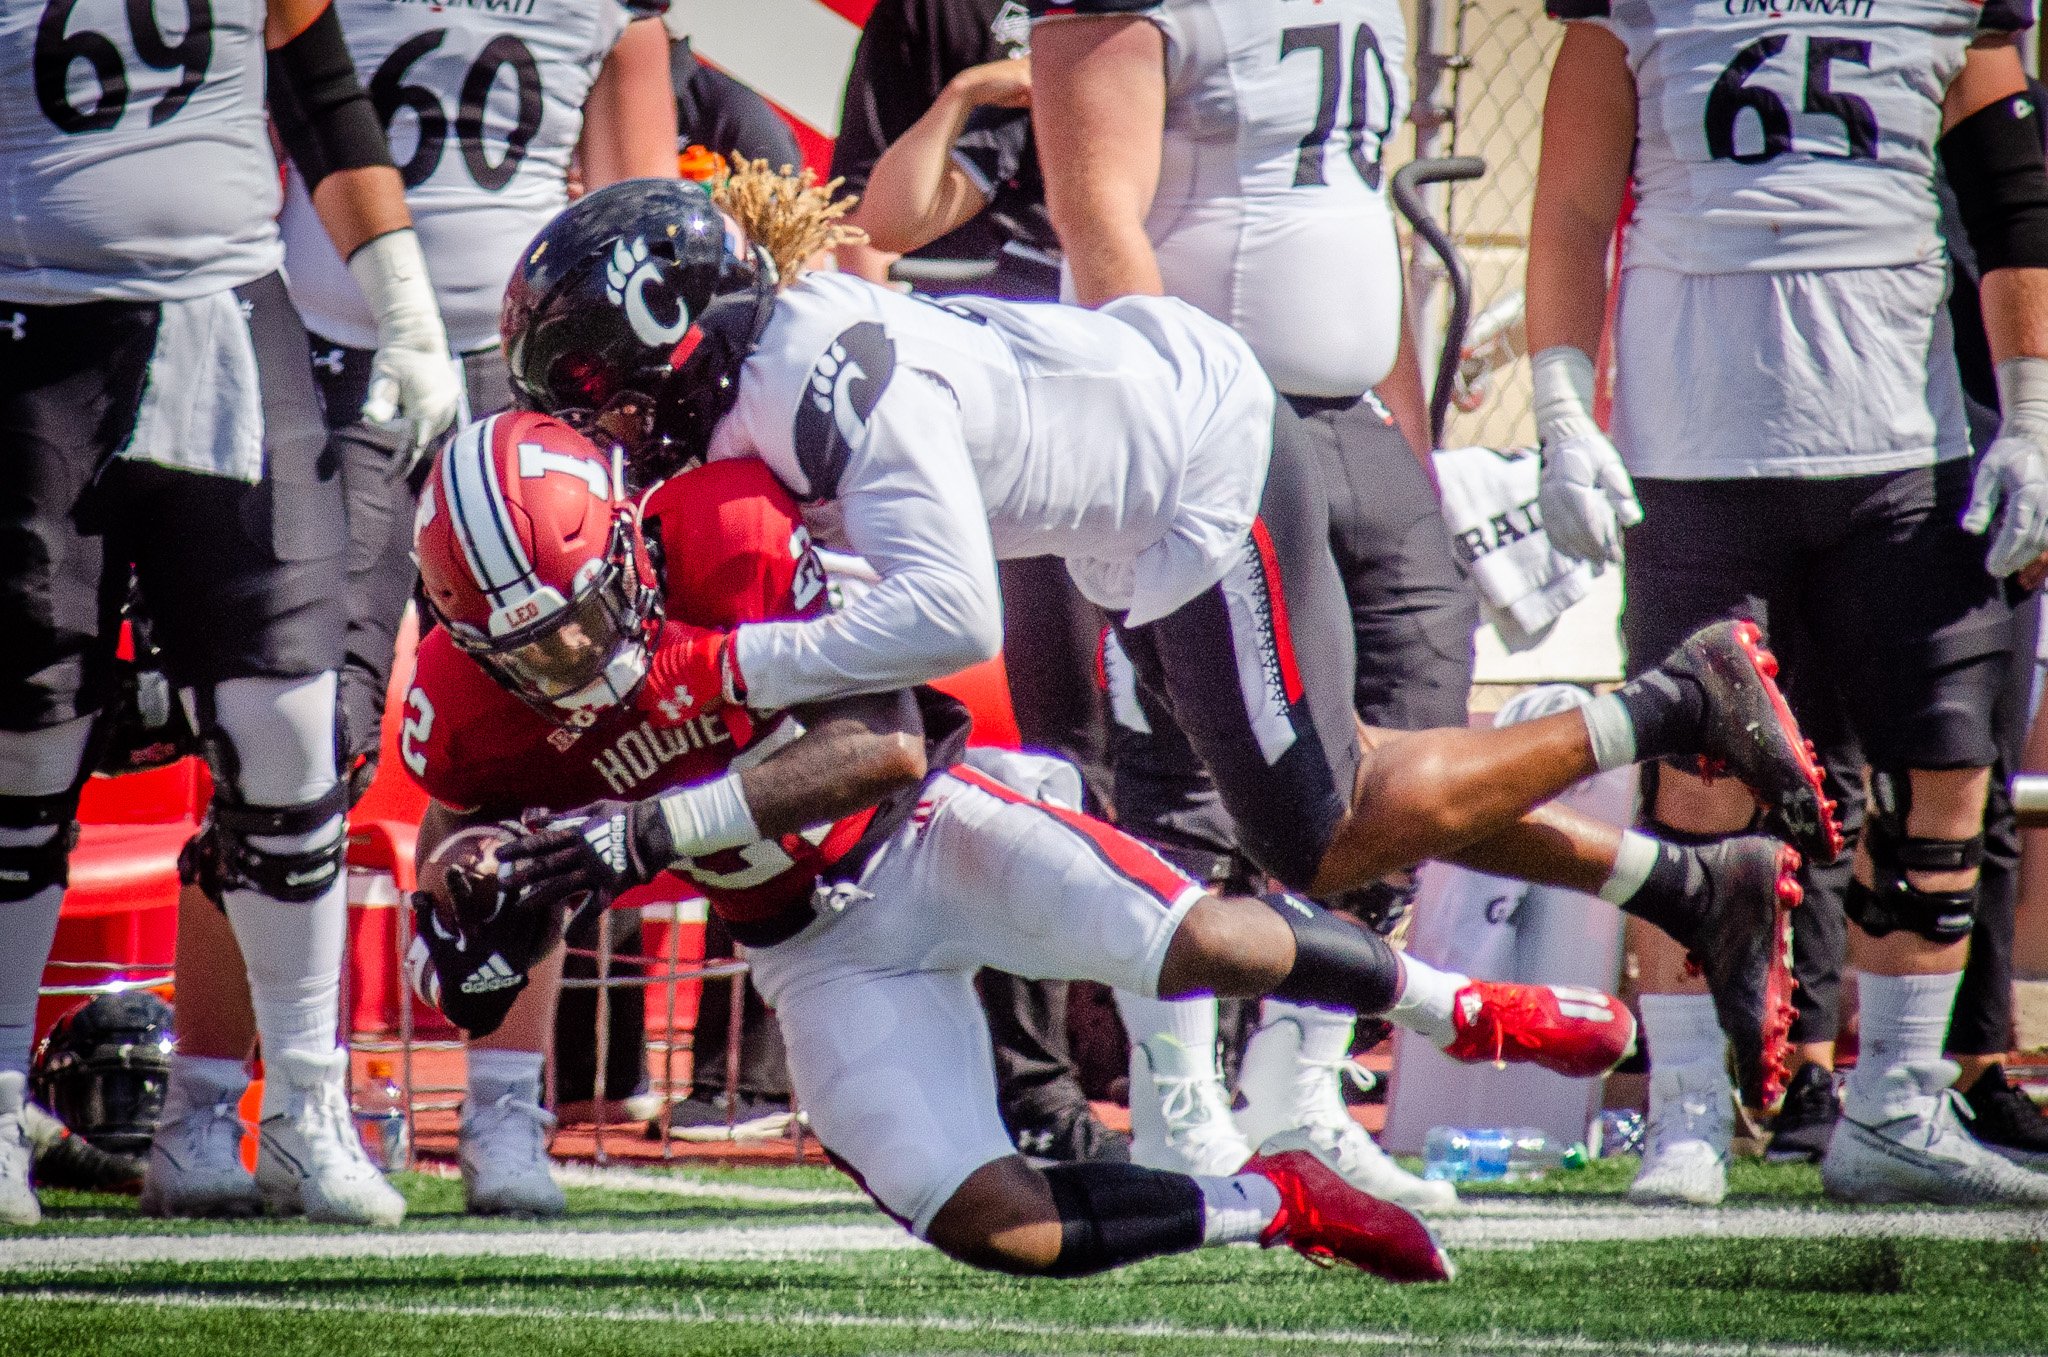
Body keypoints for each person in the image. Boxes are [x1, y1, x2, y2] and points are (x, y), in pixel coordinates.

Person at [500, 174, 1832, 1123]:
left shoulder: (822, 388)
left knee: (1318, 829)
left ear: (678, 330)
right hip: (1131, 505)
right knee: (1336, 783)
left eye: (608, 400)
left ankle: (1672, 700)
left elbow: (952, 618)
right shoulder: (755, 389)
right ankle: (1680, 882)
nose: (611, 438)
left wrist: (725, 675)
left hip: (1197, 464)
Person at [401, 411, 1645, 1280]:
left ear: (622, 536)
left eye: (580, 619)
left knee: (1198, 939)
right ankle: (1275, 1204)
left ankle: (1456, 1002)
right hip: (807, 950)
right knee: (990, 1221)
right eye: (535, 651)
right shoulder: (467, 716)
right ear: (463, 636)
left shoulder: (725, 530)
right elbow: (454, 898)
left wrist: (641, 831)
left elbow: (879, 746)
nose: (576, 662)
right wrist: (470, 927)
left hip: (931, 828)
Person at [132, 0, 676, 1222]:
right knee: (291, 736)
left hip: (539, 383)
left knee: (549, 743)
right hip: (329, 360)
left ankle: (503, 1106)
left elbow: (638, 196)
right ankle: (208, 1105)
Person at [1524, 0, 2048, 1205]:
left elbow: (2013, 197)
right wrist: (1558, 410)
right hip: (1696, 441)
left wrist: (2028, 416)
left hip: (1899, 439)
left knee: (1940, 775)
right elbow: (1568, 201)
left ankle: (1896, 1109)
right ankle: (1686, 1111)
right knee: (1696, 782)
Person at [0, 0, 462, 1226]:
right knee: (25, 725)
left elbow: (319, 91)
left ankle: (306, 1104)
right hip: (29, 327)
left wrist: (402, 301)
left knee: (291, 715)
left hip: (221, 314)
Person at [1021, 0, 1480, 1205]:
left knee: (1407, 728)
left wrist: (1409, 445)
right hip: (1212, 419)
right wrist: (1171, 420)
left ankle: (1299, 1084)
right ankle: (1179, 1101)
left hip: (1349, 417)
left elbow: (1349, 210)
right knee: (1189, 762)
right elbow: (1094, 215)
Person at [842, 38, 1125, 1166]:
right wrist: (967, 93)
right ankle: (1036, 1080)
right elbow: (871, 224)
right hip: (1003, 425)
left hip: (1139, 413)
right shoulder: (954, 23)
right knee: (1044, 760)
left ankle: (1184, 1063)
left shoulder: (1170, 36)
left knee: (1183, 758)